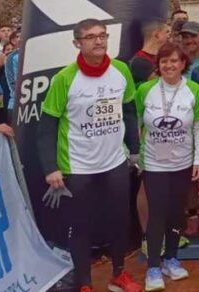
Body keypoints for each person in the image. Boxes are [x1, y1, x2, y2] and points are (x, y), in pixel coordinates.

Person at [37, 19, 141, 292]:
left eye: (103, 35)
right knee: (80, 226)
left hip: (115, 163)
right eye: (91, 37)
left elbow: (129, 111)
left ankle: (119, 274)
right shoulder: (64, 79)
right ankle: (84, 282)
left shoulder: (121, 71)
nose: (99, 41)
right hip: (77, 166)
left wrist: (135, 150)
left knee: (120, 220)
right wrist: (51, 167)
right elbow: (46, 126)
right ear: (77, 43)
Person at [136, 42, 199, 291]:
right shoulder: (145, 89)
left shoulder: (194, 90)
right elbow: (133, 122)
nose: (169, 66)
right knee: (157, 212)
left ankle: (171, 259)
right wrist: (134, 155)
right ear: (158, 65)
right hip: (154, 162)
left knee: (177, 212)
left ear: (183, 64)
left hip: (183, 162)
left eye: (174, 61)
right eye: (164, 61)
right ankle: (153, 266)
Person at [131, 20, 171, 85]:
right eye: (166, 32)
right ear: (157, 34)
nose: (168, 36)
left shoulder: (163, 57)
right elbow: (165, 83)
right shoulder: (139, 62)